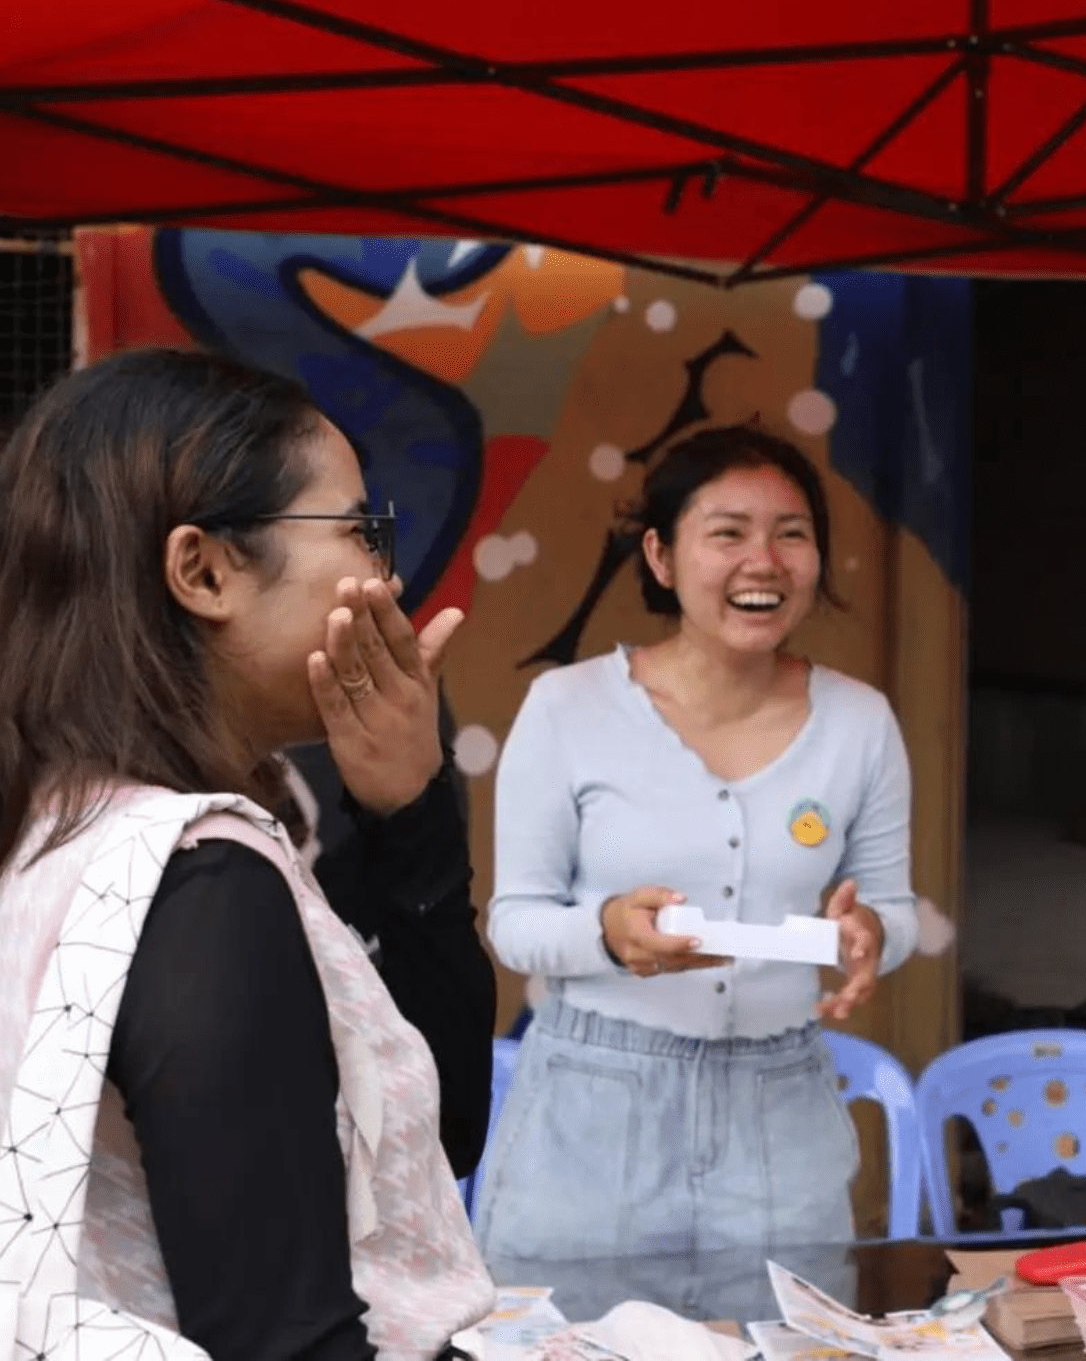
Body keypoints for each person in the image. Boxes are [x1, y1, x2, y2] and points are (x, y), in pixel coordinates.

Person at [0, 349, 495, 1361]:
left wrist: (408, 819)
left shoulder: (62, 819)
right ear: (205, 571)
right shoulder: (200, 880)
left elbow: (423, 1148)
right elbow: (289, 1340)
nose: (385, 578)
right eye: (360, 530)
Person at [477, 424, 917, 1264]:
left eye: (792, 534)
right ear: (661, 555)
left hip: (781, 1107)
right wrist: (607, 931)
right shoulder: (567, 707)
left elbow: (888, 910)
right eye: (728, 533)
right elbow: (515, 921)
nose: (765, 561)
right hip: (592, 1108)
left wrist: (873, 937)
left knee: (788, 1344)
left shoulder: (861, 722)